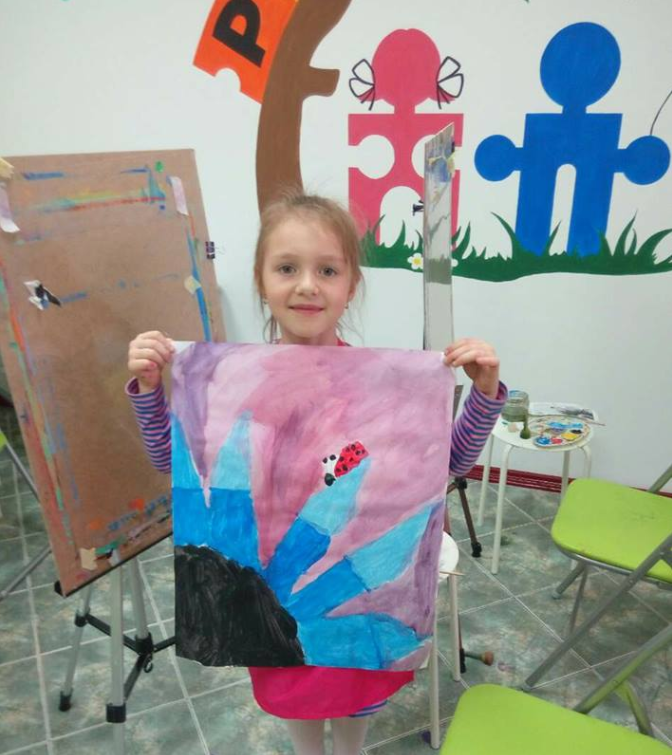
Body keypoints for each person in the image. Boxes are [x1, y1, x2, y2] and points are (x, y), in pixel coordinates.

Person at [127, 191, 506, 755]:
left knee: (355, 700)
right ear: (261, 282)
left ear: (351, 285)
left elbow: (445, 466)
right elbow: (173, 465)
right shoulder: (228, 385)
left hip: (348, 596)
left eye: (327, 270)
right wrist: (150, 393)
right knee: (293, 690)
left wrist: (483, 395)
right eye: (287, 268)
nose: (308, 285)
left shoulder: (389, 387)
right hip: (276, 601)